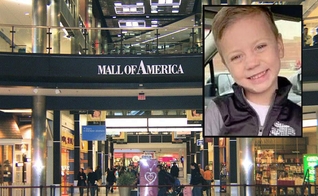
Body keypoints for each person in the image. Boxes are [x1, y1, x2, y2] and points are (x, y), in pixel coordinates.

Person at [204, 6, 301, 136]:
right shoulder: (218, 112)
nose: (252, 63)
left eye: (260, 47)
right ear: (227, 65)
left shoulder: (299, 117)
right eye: (237, 56)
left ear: (279, 46)